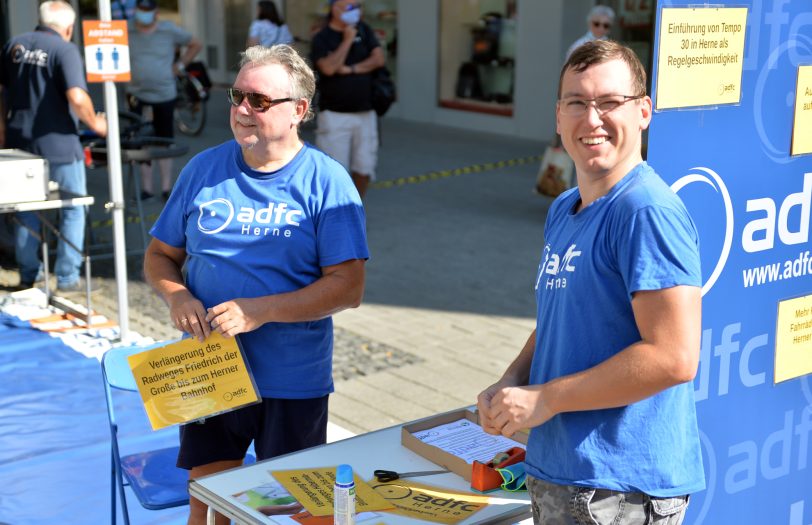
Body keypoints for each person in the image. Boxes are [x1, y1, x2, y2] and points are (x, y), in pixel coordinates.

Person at [477, 40, 704, 524]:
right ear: (558, 116)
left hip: (616, 491)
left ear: (643, 111)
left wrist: (545, 398)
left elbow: (674, 357)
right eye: (577, 102)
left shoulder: (646, 211)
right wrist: (512, 380)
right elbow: (561, 317)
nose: (592, 118)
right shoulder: (564, 207)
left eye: (609, 102)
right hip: (564, 472)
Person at [143, 44, 368, 525]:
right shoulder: (203, 168)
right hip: (208, 367)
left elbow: (348, 287)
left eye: (260, 101)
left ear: (299, 111)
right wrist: (177, 293)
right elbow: (160, 255)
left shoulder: (327, 183)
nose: (243, 109)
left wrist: (259, 310)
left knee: (302, 511)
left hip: (292, 377)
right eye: (238, 95)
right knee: (208, 509)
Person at [0, 0, 107, 291]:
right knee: (73, 207)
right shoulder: (65, 49)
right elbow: (77, 96)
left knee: (25, 210)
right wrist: (96, 125)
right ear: (69, 28)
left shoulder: (14, 45)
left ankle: (28, 276)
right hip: (60, 145)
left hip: (18, 144)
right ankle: (67, 278)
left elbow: (2, 93)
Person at [127, 0, 202, 201]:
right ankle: (147, 188)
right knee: (141, 142)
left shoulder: (168, 30)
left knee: (164, 141)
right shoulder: (127, 30)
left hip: (163, 94)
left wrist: (179, 65)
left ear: (155, 13)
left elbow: (196, 43)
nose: (143, 15)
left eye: (147, 11)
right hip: (136, 93)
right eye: (140, 11)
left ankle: (167, 188)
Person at [311, 0, 386, 198]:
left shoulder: (365, 30)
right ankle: (333, 213)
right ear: (335, 9)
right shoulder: (322, 37)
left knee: (365, 167)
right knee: (334, 170)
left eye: (359, 6)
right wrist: (346, 41)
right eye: (351, 7)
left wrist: (351, 69)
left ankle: (355, 208)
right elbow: (328, 68)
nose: (357, 11)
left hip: (365, 112)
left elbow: (378, 59)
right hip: (335, 115)